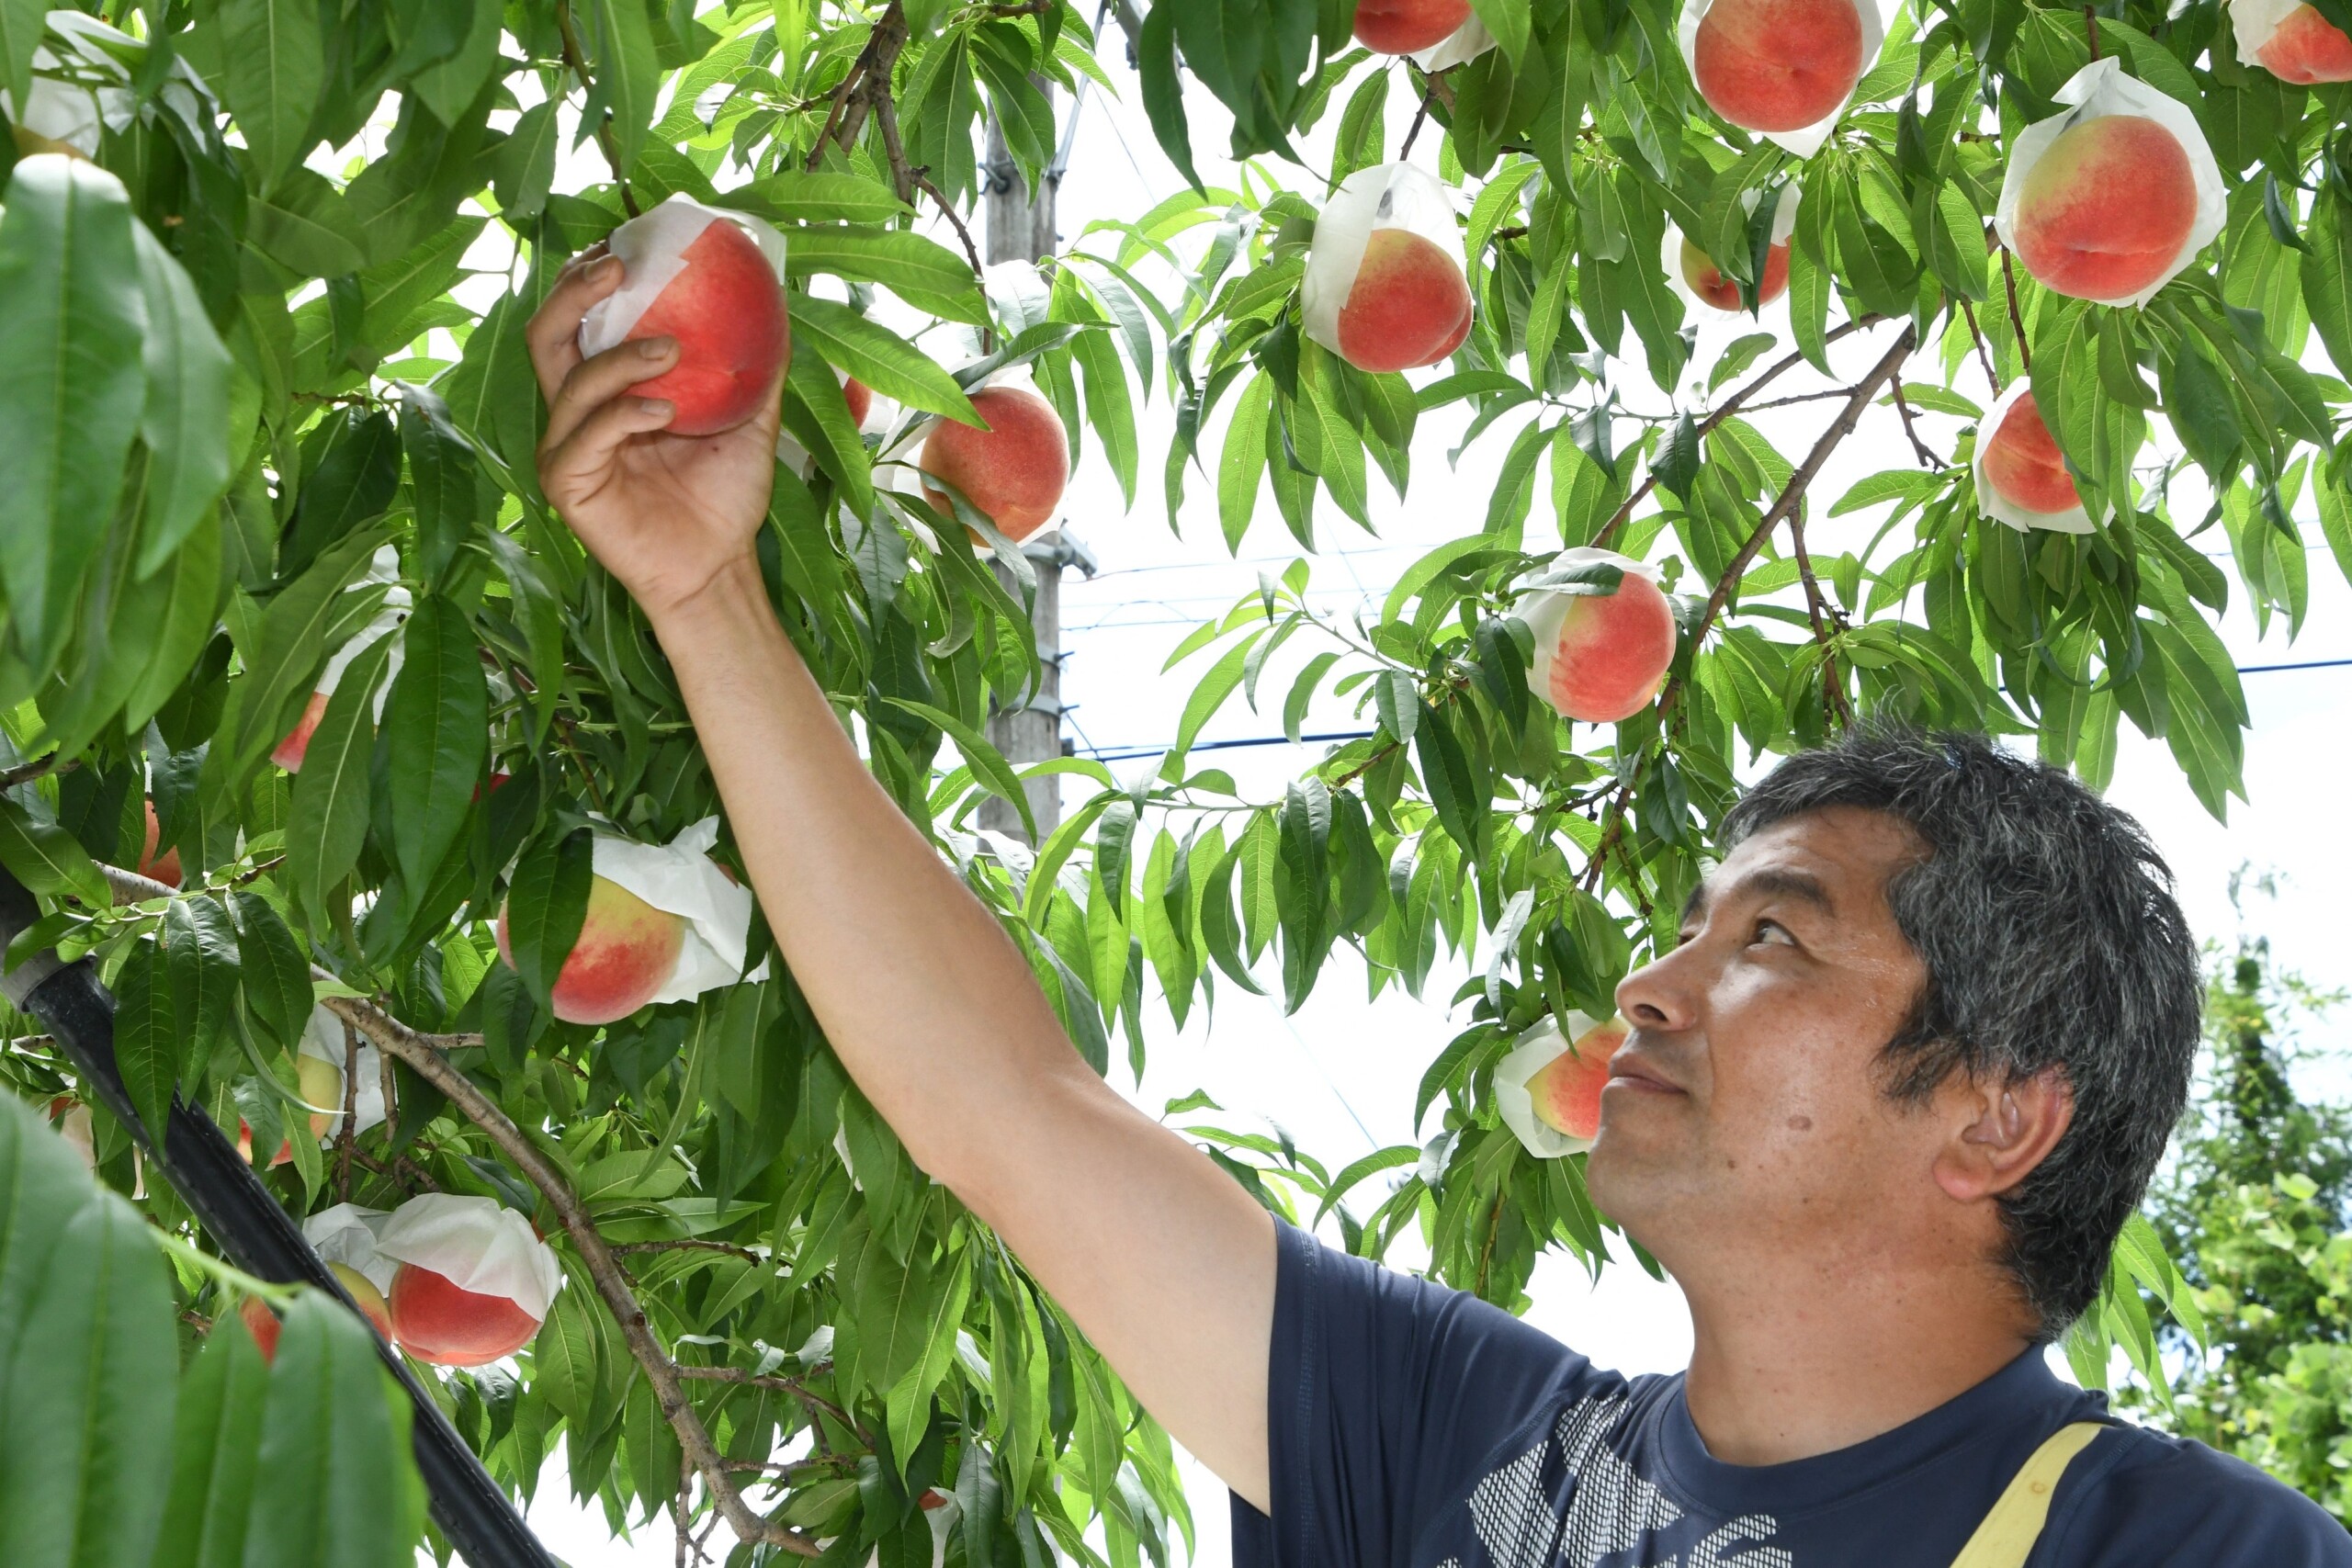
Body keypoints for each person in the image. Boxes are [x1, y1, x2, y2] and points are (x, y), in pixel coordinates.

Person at [525, 252, 2352, 1566]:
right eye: (1695, 925)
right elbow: (1008, 1108)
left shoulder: (2184, 1547)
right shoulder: (1469, 1451)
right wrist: (704, 600)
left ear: (1995, 1110)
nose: (1645, 985)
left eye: (1771, 939)